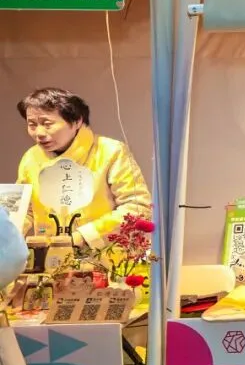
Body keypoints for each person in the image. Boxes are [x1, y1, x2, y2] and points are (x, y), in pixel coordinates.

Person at [16, 88, 151, 248]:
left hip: (103, 254)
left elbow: (137, 206)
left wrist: (84, 236)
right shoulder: (31, 157)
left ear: (77, 121)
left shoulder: (110, 151)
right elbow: (24, 209)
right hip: (48, 253)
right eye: (32, 125)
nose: (39, 133)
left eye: (47, 124)